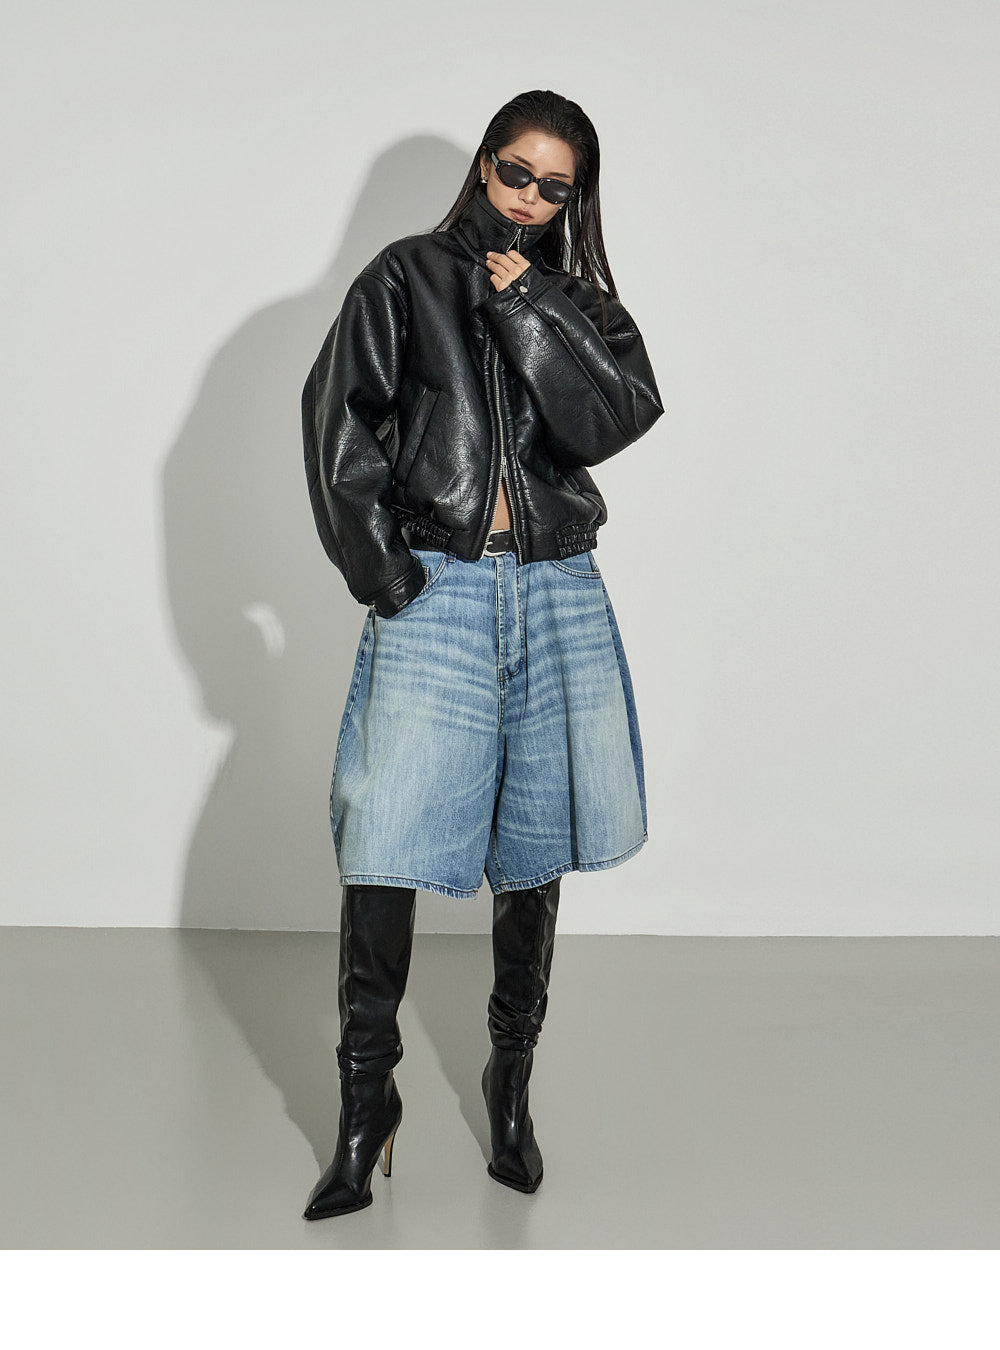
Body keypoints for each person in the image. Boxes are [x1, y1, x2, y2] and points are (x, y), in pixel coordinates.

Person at [300, 89, 664, 1220]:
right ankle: (367, 1105)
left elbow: (609, 423)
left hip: (557, 591)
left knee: (535, 843)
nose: (529, 200)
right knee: (386, 843)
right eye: (515, 173)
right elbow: (336, 422)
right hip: (442, 588)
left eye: (556, 189)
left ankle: (511, 1085)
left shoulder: (577, 303)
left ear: (574, 200)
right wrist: (386, 576)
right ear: (483, 163)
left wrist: (530, 309)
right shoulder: (404, 277)